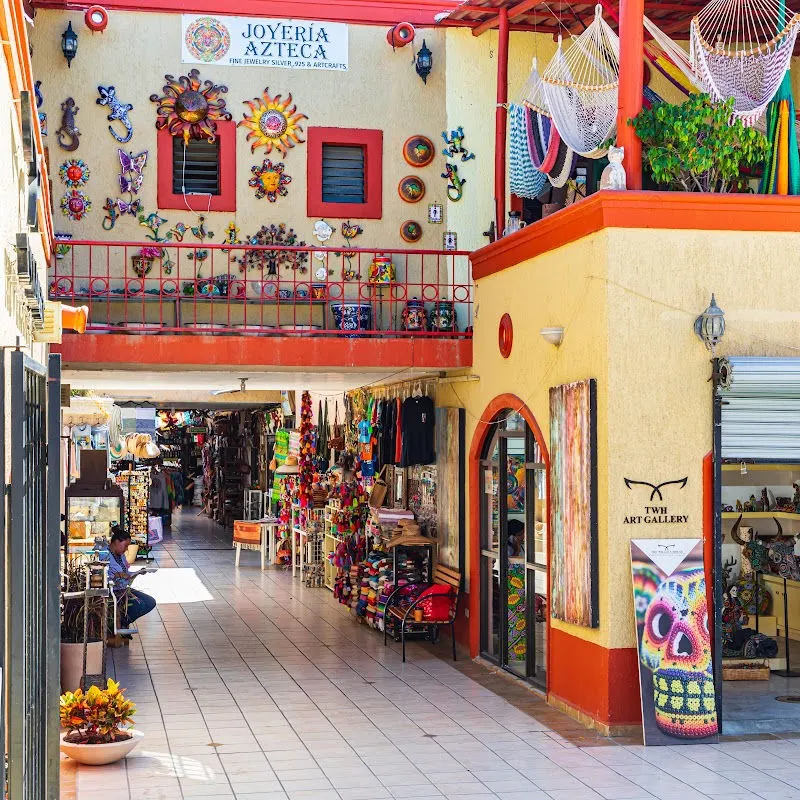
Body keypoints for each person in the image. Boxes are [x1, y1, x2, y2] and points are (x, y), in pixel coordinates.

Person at [106, 527, 157, 627]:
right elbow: (103, 574)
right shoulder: (105, 555)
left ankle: (123, 623)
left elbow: (126, 572)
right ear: (116, 542)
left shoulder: (120, 555)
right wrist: (116, 576)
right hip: (114, 590)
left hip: (123, 588)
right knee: (139, 605)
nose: (126, 549)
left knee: (150, 602)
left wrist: (137, 572)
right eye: (125, 545)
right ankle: (118, 624)